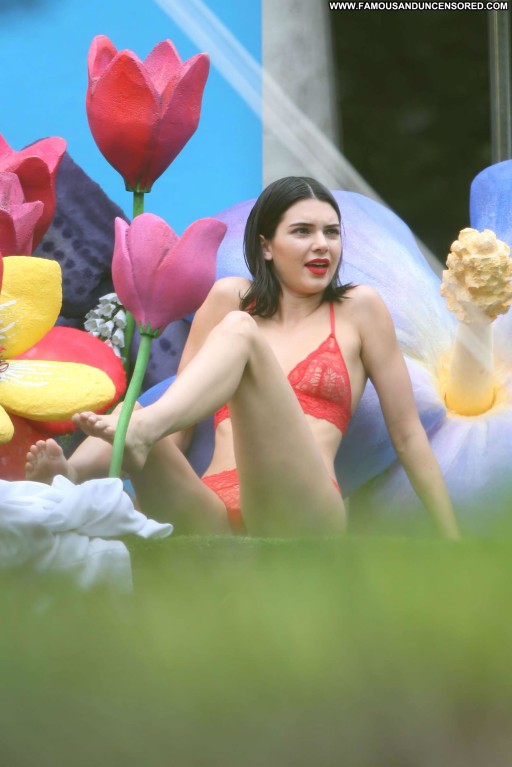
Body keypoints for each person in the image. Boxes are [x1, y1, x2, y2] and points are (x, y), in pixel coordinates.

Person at [26, 176, 460, 539]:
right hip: (211, 505)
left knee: (235, 336)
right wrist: (155, 461)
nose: (322, 245)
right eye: (302, 231)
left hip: (300, 507)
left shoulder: (359, 308)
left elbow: (408, 436)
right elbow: (182, 424)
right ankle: (66, 479)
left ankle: (139, 433)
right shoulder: (228, 297)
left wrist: (451, 536)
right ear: (266, 246)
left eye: (331, 232)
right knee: (134, 412)